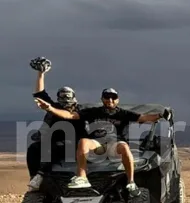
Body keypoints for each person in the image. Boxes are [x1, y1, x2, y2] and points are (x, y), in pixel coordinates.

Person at [35, 88, 169, 195]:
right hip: (97, 144)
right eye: (107, 97)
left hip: (114, 144)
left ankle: (131, 181)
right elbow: (70, 115)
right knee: (83, 142)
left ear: (117, 100)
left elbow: (144, 117)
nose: (110, 100)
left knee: (124, 147)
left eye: (113, 97)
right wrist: (49, 108)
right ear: (102, 99)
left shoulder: (123, 113)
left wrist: (160, 115)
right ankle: (82, 177)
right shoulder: (93, 112)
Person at [26, 58, 87, 190]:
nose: (65, 99)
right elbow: (39, 94)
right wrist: (41, 74)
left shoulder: (81, 110)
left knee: (54, 147)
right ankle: (34, 176)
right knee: (33, 149)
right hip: (52, 140)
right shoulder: (54, 106)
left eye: (68, 96)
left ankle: (40, 175)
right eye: (62, 96)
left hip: (74, 143)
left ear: (73, 97)